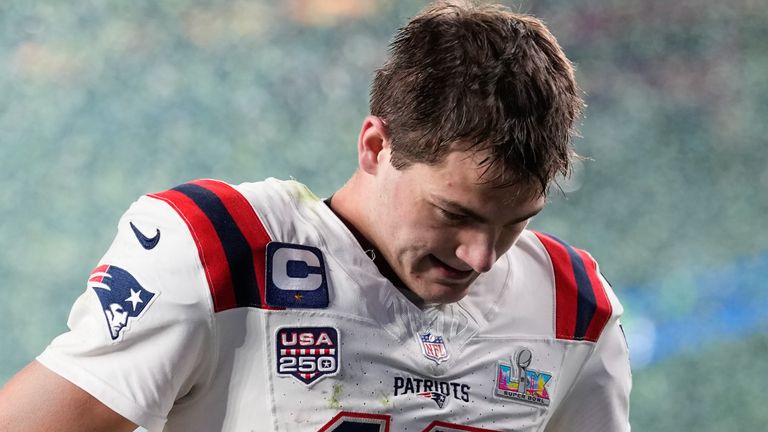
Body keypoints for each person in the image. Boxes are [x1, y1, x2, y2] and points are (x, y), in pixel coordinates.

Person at [0, 2, 631, 431]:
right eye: (453, 213)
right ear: (376, 147)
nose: (481, 256)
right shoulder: (218, 251)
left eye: (516, 221)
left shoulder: (572, 307)